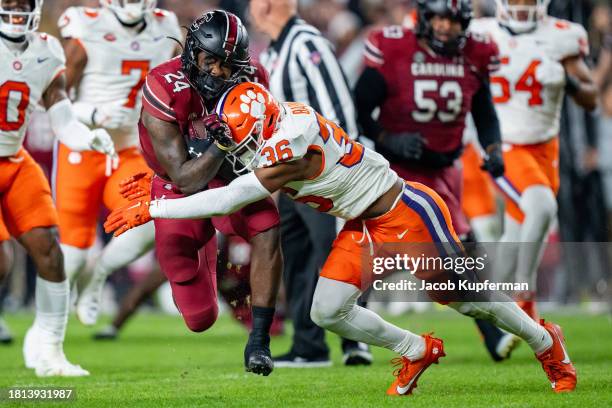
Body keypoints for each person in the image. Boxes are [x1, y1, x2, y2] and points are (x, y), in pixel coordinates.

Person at [105, 81, 577, 395]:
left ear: (262, 129)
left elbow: (229, 197)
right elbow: (226, 174)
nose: (231, 147)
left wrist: (156, 207)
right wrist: (158, 184)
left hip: (402, 211)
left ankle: (545, 341)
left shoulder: (289, 147)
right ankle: (417, 349)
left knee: (464, 298)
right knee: (327, 310)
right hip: (363, 224)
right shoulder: (274, 127)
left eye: (238, 139)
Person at [119, 10, 283, 376]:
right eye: (210, 61)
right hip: (177, 186)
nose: (218, 73)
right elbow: (185, 177)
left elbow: (263, 146)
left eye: (228, 65)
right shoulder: (163, 84)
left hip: (229, 178)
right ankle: (204, 253)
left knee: (267, 224)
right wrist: (219, 146)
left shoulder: (254, 77)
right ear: (192, 52)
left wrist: (234, 149)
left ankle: (259, 341)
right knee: (199, 318)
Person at [354, 0, 515, 362]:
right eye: (439, 18)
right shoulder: (394, 46)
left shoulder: (477, 52)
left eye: (453, 21)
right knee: (377, 252)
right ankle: (353, 333)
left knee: (461, 250)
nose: (445, 27)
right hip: (398, 170)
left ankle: (493, 333)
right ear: (426, 19)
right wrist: (386, 138)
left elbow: (485, 110)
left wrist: (493, 149)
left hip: (444, 170)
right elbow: (360, 106)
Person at [250, 0, 371, 367]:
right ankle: (308, 345)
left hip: (323, 172)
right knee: (298, 255)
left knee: (334, 251)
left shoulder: (306, 42)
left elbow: (339, 108)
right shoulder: (275, 50)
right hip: (293, 176)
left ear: (266, 5)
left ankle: (356, 341)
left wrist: (339, 172)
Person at [0, 0, 115, 376]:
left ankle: (50, 353)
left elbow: (62, 118)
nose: (15, 10)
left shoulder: (47, 49)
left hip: (15, 161)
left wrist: (88, 138)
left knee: (50, 249)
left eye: (22, 4)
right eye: (8, 3)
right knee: (2, 262)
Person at [53, 0, 181, 326]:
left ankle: (100, 275)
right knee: (73, 253)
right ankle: (48, 336)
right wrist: (92, 113)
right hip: (82, 146)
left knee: (149, 221)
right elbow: (52, 95)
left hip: (127, 149)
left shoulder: (165, 26)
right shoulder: (86, 23)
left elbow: (173, 89)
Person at [471, 0, 598, 319]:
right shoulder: (481, 34)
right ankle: (524, 293)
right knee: (542, 207)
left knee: (514, 238)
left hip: (545, 148)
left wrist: (567, 82)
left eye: (528, 0)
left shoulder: (562, 35)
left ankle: (492, 308)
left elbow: (591, 97)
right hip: (504, 145)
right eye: (515, 0)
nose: (522, 6)